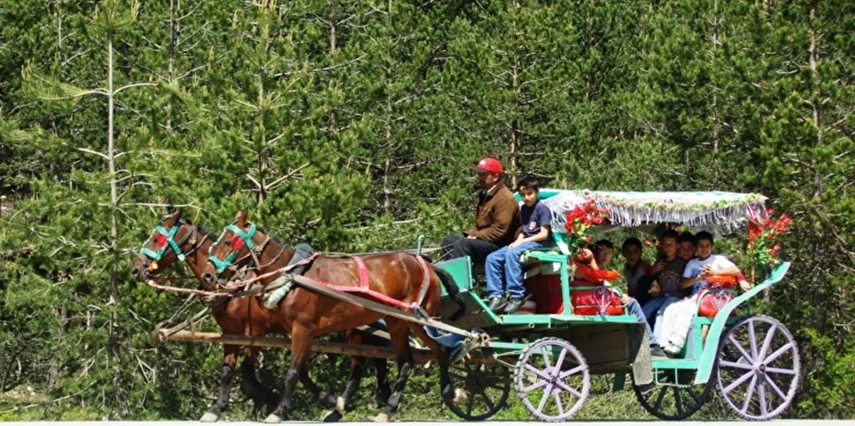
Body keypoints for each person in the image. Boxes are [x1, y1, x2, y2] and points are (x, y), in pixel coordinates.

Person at [576, 243, 667, 358]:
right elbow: (599, 279)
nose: (605, 256)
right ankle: (651, 344)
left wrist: (618, 293)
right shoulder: (586, 267)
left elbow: (603, 282)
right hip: (592, 305)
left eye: (609, 253)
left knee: (637, 303)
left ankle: (641, 342)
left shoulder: (582, 266)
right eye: (602, 251)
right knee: (633, 303)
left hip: (593, 301)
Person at [484, 176, 552, 314]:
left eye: (530, 194)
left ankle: (517, 295)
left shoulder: (542, 209)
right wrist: (517, 241)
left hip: (539, 243)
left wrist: (522, 242)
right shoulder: (524, 210)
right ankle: (496, 296)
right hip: (524, 241)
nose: (527, 198)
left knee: (512, 253)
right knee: (492, 258)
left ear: (536, 192)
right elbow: (523, 230)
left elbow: (544, 234)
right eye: (523, 195)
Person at [441, 157, 520, 267]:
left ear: (496, 176)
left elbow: (500, 230)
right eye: (479, 174)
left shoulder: (505, 198)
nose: (479, 177)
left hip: (500, 245)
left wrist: (476, 236)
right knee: (448, 241)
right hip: (485, 241)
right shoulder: (486, 195)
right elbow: (479, 225)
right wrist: (471, 235)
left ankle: (459, 281)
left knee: (464, 244)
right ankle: (450, 276)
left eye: (483, 174)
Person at [643, 230, 689, 336]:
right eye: (665, 244)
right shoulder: (660, 262)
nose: (668, 247)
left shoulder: (682, 263)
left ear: (677, 246)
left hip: (677, 297)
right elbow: (651, 275)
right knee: (646, 309)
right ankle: (644, 337)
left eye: (671, 244)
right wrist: (655, 268)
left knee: (661, 313)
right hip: (662, 295)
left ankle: (657, 343)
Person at [621, 237, 652, 306]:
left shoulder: (644, 268)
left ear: (641, 253)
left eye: (635, 251)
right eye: (628, 251)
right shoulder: (627, 268)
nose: (631, 255)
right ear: (623, 253)